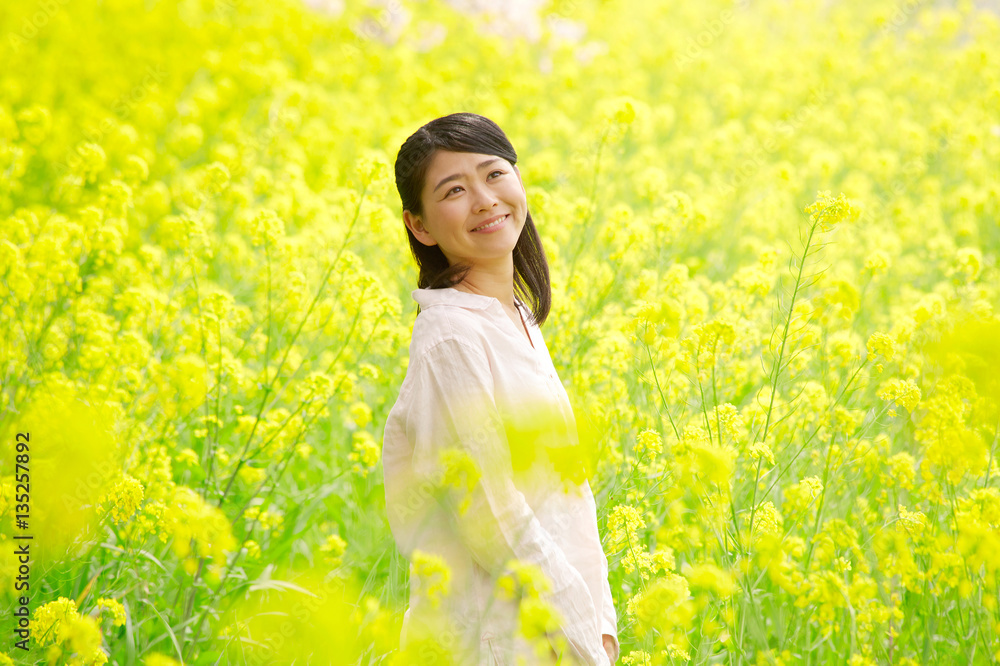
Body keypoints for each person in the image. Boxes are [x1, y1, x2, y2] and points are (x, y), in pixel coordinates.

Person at [382, 112, 619, 665]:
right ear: (419, 226)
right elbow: (487, 509)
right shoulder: (451, 337)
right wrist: (581, 628)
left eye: (494, 174)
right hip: (493, 640)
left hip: (549, 633)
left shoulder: (515, 319)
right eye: (454, 190)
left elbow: (566, 500)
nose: (485, 200)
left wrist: (598, 623)